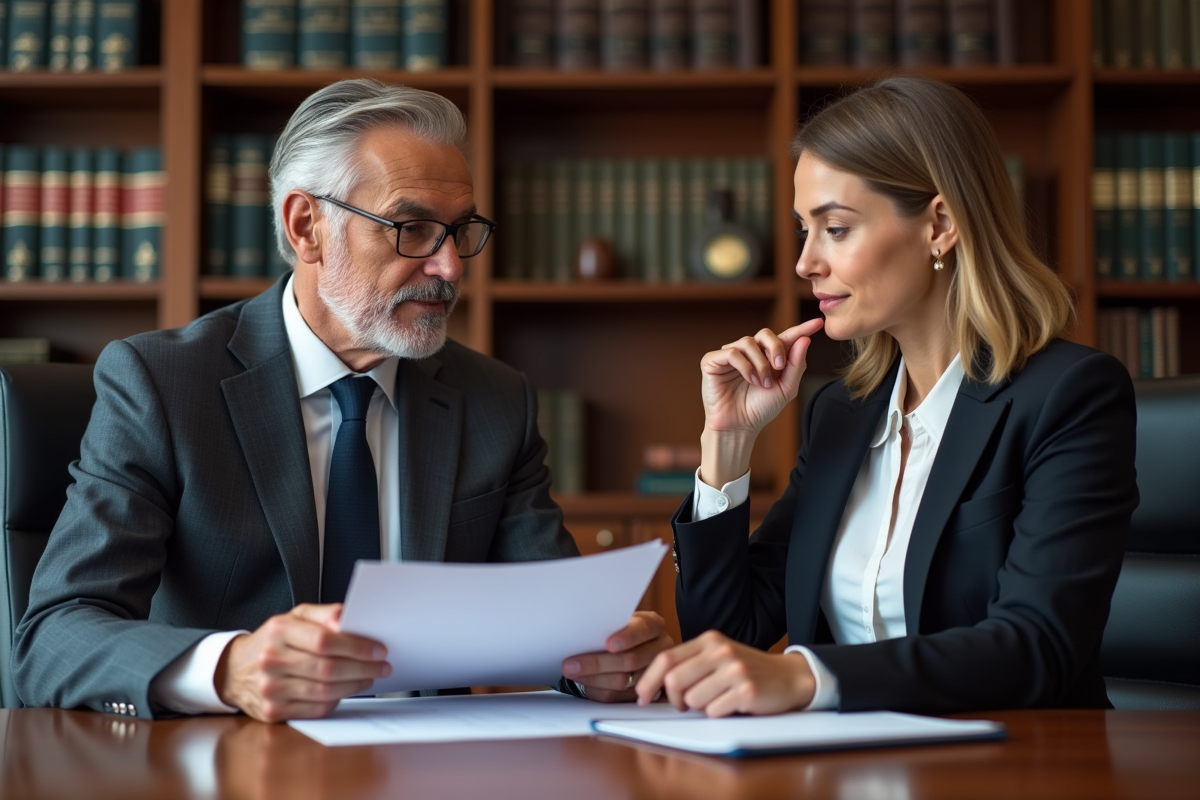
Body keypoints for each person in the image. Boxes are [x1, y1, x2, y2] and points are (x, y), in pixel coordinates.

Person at [14, 79, 670, 722]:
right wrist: (229, 667)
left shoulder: (495, 400)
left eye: (460, 230)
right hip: (234, 767)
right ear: (307, 228)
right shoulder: (162, 382)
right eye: (411, 228)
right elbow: (51, 638)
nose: (451, 268)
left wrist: (606, 662)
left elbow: (560, 635)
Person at [635, 76, 1138, 717]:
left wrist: (809, 678)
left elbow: (1036, 647)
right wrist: (726, 445)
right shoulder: (842, 413)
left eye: (836, 229)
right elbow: (730, 636)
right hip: (848, 772)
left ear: (941, 224)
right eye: (804, 231)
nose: (805, 263)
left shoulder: (1068, 397)